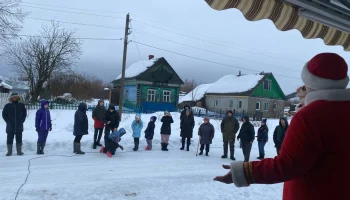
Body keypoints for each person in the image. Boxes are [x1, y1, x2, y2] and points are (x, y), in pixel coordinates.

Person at [213, 53, 350, 200]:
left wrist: (243, 172)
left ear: (312, 84)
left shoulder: (310, 117)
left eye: (305, 85)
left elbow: (288, 165)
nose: (300, 89)